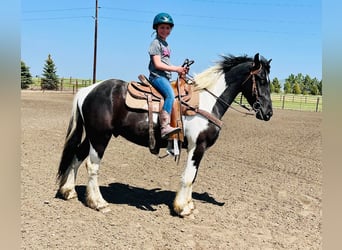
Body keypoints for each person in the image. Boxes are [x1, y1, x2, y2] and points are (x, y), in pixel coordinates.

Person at [148, 12, 187, 139]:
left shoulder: (166, 45)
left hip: (165, 77)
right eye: (162, 27)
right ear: (156, 28)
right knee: (170, 95)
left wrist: (180, 70)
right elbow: (158, 64)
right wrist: (176, 69)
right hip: (157, 76)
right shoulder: (156, 43)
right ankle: (164, 127)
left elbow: (166, 63)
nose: (165, 30)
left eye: (168, 28)